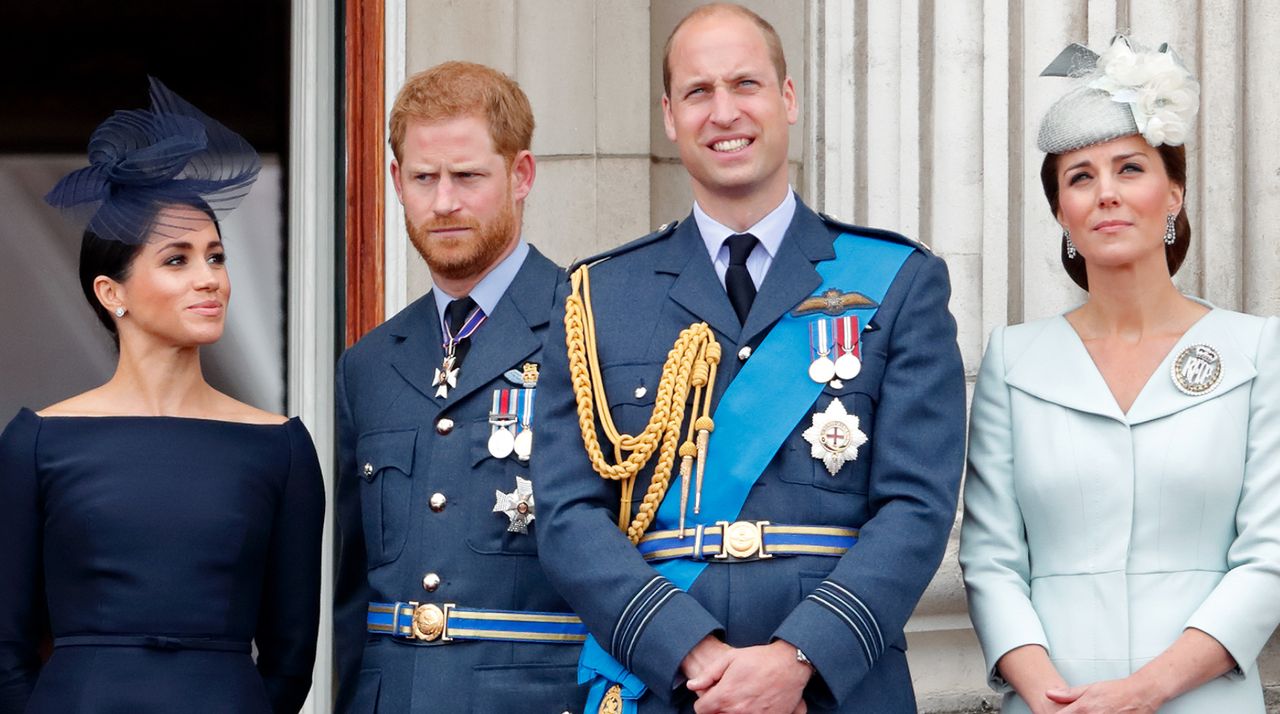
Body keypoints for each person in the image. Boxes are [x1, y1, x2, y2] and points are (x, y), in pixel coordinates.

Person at [532, 4, 966, 712]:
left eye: (746, 84)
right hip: (667, 685)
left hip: (832, 687)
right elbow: (568, 515)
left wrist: (798, 659)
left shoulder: (898, 280)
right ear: (669, 116)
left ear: (787, 99)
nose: (724, 111)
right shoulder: (597, 296)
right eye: (699, 92)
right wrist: (689, 651)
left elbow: (916, 506)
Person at [960, 36, 1280, 713]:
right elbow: (990, 560)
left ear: (1173, 194)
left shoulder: (1259, 351)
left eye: (1129, 169)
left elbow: (1270, 556)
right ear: (1062, 217)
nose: (1105, 193)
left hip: (1206, 700)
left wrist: (1145, 691)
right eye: (1080, 177)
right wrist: (1048, 696)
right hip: (1054, 702)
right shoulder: (1013, 361)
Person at [0, 77, 325, 714]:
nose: (210, 280)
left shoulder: (280, 447)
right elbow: (5, 650)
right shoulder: (35, 442)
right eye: (176, 260)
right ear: (111, 293)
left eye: (216, 256)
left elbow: (291, 658)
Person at [333, 61, 586, 714]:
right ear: (397, 181)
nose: (443, 202)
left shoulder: (591, 330)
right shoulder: (367, 365)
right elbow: (353, 594)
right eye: (424, 178)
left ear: (520, 175)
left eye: (467, 176)